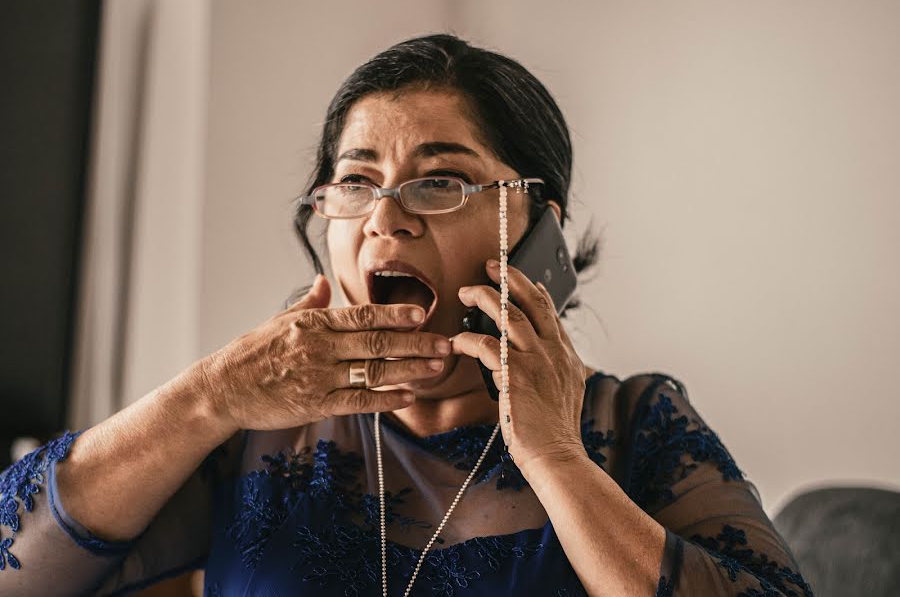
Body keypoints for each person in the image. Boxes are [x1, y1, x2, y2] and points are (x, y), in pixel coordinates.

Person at [0, 34, 813, 596]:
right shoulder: (251, 438)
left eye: (439, 180)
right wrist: (205, 397)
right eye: (355, 182)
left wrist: (559, 460)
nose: (385, 219)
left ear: (539, 230)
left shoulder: (637, 425)